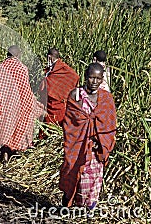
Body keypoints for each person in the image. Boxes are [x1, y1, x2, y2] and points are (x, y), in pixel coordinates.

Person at [59, 63, 117, 209]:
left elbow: (110, 125)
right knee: (73, 172)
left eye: (98, 78)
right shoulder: (76, 95)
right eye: (91, 78)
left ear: (102, 78)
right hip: (77, 146)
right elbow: (70, 124)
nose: (95, 82)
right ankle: (69, 200)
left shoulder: (106, 99)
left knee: (93, 179)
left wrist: (101, 141)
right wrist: (82, 135)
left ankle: (88, 209)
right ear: (86, 77)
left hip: (96, 149)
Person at [0, 45, 44, 162]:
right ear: (18, 55)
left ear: (7, 55)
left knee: (4, 128)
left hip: (2, 104)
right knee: (15, 127)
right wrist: (30, 103)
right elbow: (25, 89)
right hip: (17, 105)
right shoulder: (21, 68)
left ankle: (5, 154)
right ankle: (10, 152)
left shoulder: (0, 67)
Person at [39, 48, 80, 127]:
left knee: (49, 127)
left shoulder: (60, 68)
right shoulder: (63, 68)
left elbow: (45, 86)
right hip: (56, 105)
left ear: (49, 57)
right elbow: (75, 77)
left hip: (56, 106)